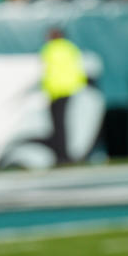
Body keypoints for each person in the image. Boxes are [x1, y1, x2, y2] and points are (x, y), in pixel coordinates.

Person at [40, 26, 88, 165]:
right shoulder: (70, 48)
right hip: (68, 90)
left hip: (55, 91)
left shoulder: (50, 49)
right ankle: (64, 154)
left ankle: (61, 155)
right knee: (63, 124)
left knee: (57, 125)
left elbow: (47, 72)